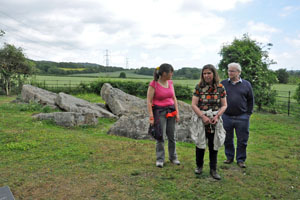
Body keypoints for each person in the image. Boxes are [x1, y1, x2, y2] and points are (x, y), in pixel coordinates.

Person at [191, 64, 227, 180]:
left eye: (209, 73)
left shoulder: (220, 87)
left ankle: (213, 169)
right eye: (204, 73)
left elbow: (224, 105)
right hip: (202, 119)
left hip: (214, 120)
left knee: (213, 145)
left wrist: (217, 117)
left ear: (214, 74)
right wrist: (202, 116)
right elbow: (194, 104)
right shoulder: (199, 87)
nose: (206, 75)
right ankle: (199, 166)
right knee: (200, 143)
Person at [147, 63, 180, 168]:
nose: (172, 74)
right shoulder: (154, 84)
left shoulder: (170, 82)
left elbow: (174, 98)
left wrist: (177, 113)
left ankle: (173, 157)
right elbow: (149, 101)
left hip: (171, 111)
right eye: (171, 72)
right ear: (164, 73)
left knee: (172, 136)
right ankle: (160, 159)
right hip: (159, 113)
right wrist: (151, 117)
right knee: (160, 136)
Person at [221, 62, 254, 168]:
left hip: (242, 117)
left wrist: (248, 114)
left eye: (232, 71)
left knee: (242, 140)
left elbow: (250, 100)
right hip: (226, 116)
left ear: (238, 72)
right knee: (227, 139)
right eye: (228, 70)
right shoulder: (223, 84)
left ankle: (240, 159)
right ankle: (229, 157)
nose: (229, 72)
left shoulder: (247, 84)